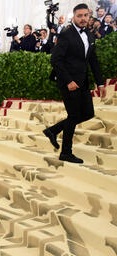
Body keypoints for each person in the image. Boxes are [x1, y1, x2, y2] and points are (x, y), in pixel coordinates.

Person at [45, 3, 106, 164]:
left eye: (86, 15)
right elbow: (55, 60)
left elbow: (93, 60)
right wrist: (68, 81)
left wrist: (100, 83)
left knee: (87, 113)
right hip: (68, 82)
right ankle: (66, 152)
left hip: (83, 81)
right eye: (79, 16)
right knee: (74, 116)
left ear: (89, 16)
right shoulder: (66, 34)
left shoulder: (90, 34)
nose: (83, 18)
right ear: (74, 17)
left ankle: (54, 130)